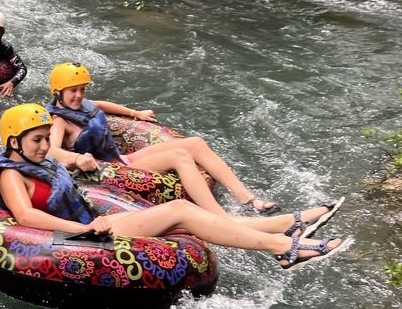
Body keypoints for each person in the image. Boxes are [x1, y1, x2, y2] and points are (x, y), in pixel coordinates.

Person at [0, 104, 349, 270]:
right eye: (36, 139)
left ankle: (284, 226)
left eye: (43, 138)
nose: (42, 145)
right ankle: (284, 247)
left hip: (88, 223)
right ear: (15, 142)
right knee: (180, 211)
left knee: (181, 221)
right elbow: (26, 215)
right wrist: (83, 228)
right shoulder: (11, 174)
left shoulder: (43, 161)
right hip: (74, 238)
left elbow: (66, 164)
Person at [46, 62, 292, 215]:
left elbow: (99, 105)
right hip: (107, 171)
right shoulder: (60, 122)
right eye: (73, 91)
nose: (79, 95)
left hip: (121, 159)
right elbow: (51, 151)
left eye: (82, 89)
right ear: (58, 93)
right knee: (179, 156)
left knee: (195, 143)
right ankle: (221, 217)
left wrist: (135, 113)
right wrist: (77, 158)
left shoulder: (82, 105)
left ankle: (247, 198)